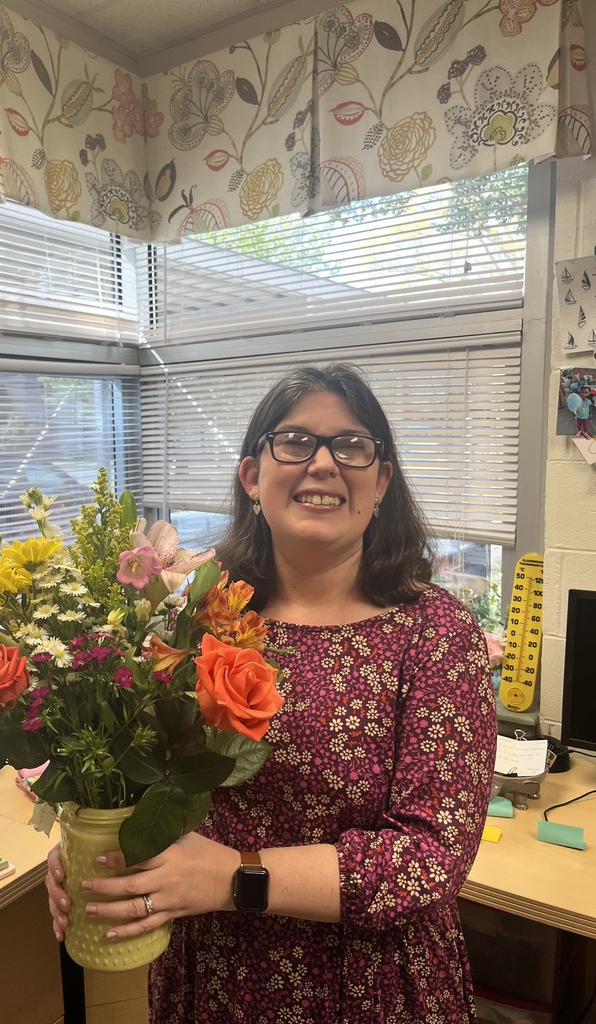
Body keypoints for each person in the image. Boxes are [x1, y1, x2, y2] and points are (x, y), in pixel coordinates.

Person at [45, 363, 497, 1024]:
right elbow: (142, 776)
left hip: (366, 987)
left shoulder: (435, 635)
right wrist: (90, 842)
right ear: (253, 476)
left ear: (382, 480)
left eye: (351, 445)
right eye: (294, 442)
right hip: (212, 973)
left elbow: (429, 859)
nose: (322, 464)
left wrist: (234, 877)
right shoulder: (197, 618)